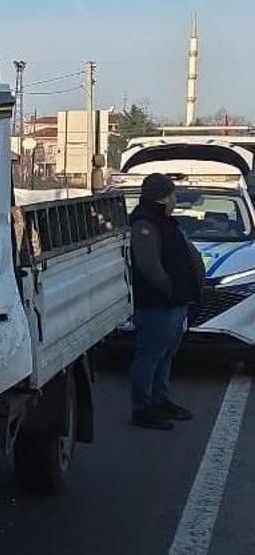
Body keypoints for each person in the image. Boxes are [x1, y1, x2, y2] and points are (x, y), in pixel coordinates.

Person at [128, 173, 206, 430]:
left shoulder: (162, 221)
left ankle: (160, 400)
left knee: (165, 354)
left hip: (172, 303)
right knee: (150, 355)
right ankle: (143, 408)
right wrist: (171, 290)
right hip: (157, 304)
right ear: (163, 196)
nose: (175, 199)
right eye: (172, 194)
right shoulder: (146, 223)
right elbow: (149, 265)